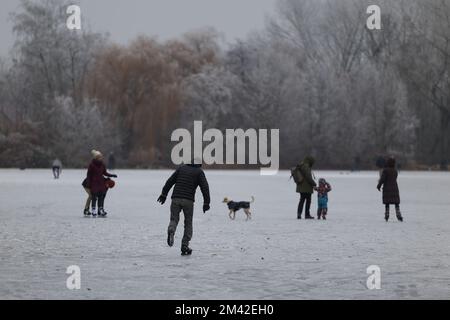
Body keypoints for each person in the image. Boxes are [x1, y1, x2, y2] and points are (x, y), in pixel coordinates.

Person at [157, 160, 210, 256]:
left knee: (174, 219)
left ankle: (171, 229)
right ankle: (184, 246)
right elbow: (205, 187)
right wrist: (206, 203)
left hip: (175, 198)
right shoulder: (199, 172)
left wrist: (163, 194)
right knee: (188, 223)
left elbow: (170, 181)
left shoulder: (181, 168)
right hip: (188, 201)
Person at [85, 150, 117, 217]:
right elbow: (89, 175)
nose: (101, 158)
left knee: (101, 196)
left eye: (101, 157)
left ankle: (100, 209)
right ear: (96, 157)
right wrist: (88, 183)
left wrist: (112, 175)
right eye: (99, 157)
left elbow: (104, 173)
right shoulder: (92, 165)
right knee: (94, 197)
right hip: (94, 183)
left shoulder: (102, 164)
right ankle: (93, 209)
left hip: (101, 183)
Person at [377, 156, 403, 222]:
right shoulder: (395, 171)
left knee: (387, 203)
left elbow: (382, 179)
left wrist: (379, 186)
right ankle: (398, 214)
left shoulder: (385, 171)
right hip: (394, 188)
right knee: (396, 203)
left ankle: (387, 214)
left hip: (387, 188)